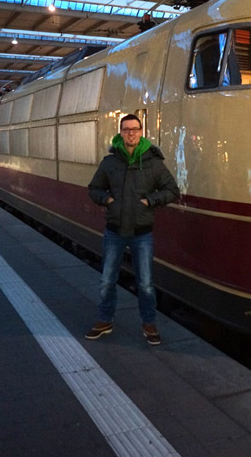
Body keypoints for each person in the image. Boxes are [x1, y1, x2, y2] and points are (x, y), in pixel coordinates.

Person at [86, 114, 179, 346]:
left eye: (135, 129)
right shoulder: (110, 163)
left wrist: (149, 201)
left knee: (145, 283)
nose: (131, 133)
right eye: (126, 129)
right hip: (114, 231)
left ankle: (149, 323)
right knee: (107, 280)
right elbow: (94, 188)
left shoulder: (153, 163)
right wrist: (108, 200)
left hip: (142, 233)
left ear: (141, 132)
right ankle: (105, 320)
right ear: (120, 132)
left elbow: (172, 190)